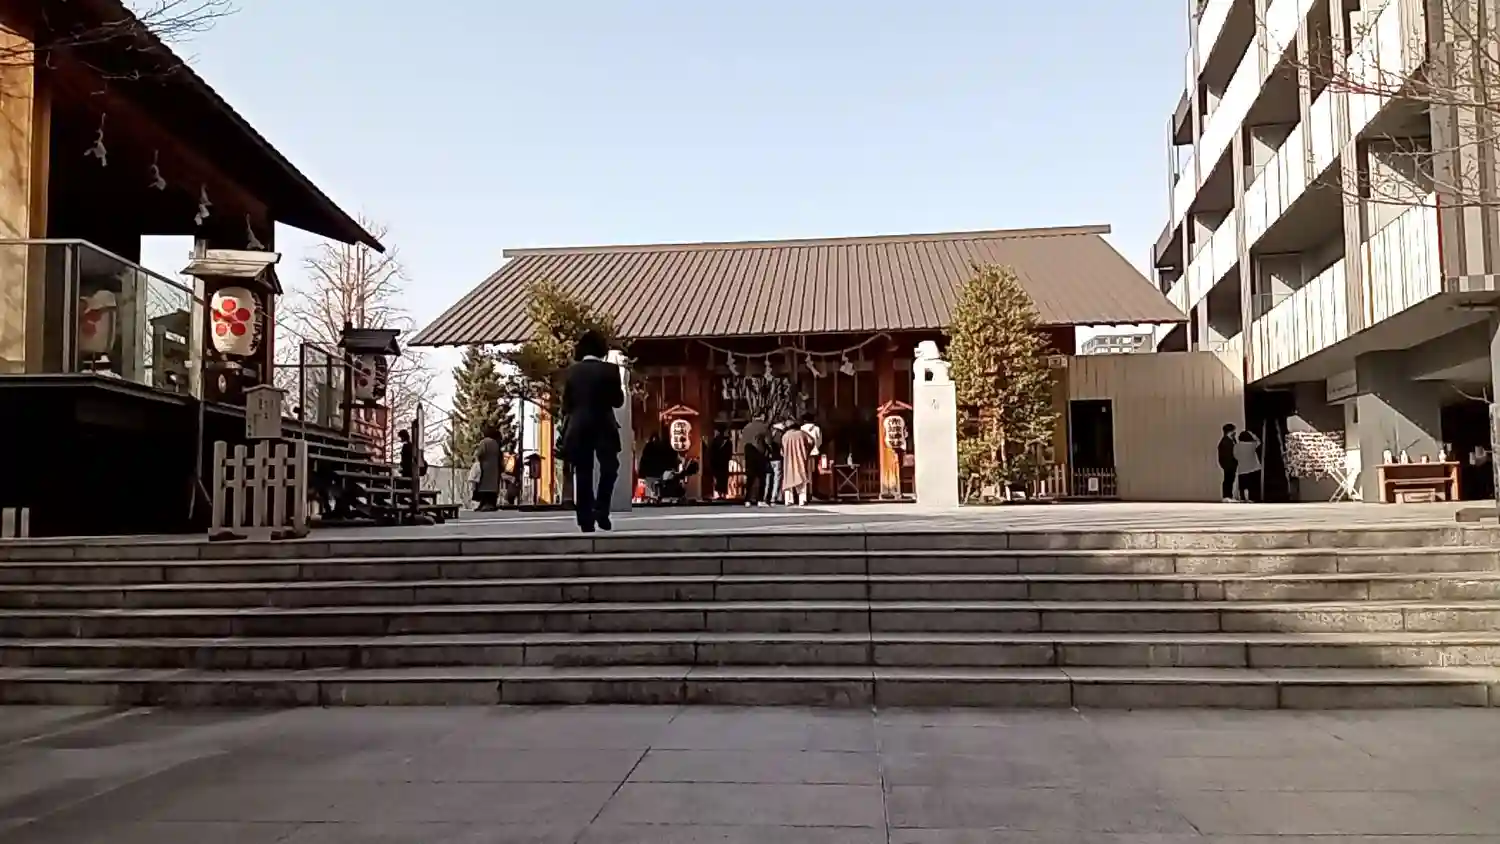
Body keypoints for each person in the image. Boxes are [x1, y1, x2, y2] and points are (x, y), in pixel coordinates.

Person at [560, 330, 625, 532]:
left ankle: (585, 518)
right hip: (604, 425)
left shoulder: (572, 372)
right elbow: (618, 401)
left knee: (583, 471)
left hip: (578, 426)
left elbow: (566, 405)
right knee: (610, 468)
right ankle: (601, 509)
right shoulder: (610, 370)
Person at [780, 420, 814, 505]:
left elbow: (782, 449)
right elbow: (811, 441)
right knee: (801, 478)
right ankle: (802, 500)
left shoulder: (785, 436)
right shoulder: (802, 434)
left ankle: (788, 500)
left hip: (788, 460)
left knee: (788, 479)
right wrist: (807, 451)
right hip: (800, 458)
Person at [740, 415, 771, 506]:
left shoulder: (746, 427)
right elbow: (768, 442)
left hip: (748, 454)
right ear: (762, 417)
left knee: (750, 477)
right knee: (761, 478)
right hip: (760, 453)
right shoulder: (764, 427)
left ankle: (747, 499)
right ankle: (760, 500)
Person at [473, 425, 502, 512]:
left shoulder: (484, 442)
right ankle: (491, 504)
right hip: (494, 468)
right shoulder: (495, 443)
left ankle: (483, 504)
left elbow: (479, 453)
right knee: (492, 487)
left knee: (483, 486)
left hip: (484, 467)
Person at [799, 412, 823, 501]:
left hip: (805, 454)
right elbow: (820, 441)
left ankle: (806, 492)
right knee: (814, 473)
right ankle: (814, 491)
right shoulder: (817, 428)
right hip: (814, 453)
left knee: (804, 472)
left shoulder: (801, 428)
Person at [1235, 429, 1262, 502]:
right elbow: (1259, 441)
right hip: (1253, 468)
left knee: (1243, 485)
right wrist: (1253, 434)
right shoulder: (1252, 445)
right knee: (1251, 485)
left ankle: (1243, 498)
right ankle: (1250, 498)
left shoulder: (1236, 446)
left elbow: (1235, 456)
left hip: (1242, 468)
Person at [708, 425, 732, 500]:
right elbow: (729, 454)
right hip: (722, 463)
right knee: (722, 478)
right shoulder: (728, 442)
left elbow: (711, 453)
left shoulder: (715, 441)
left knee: (719, 478)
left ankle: (720, 493)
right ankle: (722, 493)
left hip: (717, 463)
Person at [1217, 423, 1239, 503]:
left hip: (1232, 464)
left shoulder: (1232, 440)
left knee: (1231, 480)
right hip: (1228, 464)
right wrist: (1226, 464)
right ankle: (1226, 496)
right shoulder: (1225, 441)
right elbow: (1225, 455)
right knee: (1227, 480)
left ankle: (1229, 495)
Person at [765, 421, 785, 505]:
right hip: (777, 458)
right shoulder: (780, 435)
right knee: (777, 478)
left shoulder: (768, 434)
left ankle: (765, 496)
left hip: (768, 459)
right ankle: (774, 496)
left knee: (768, 478)